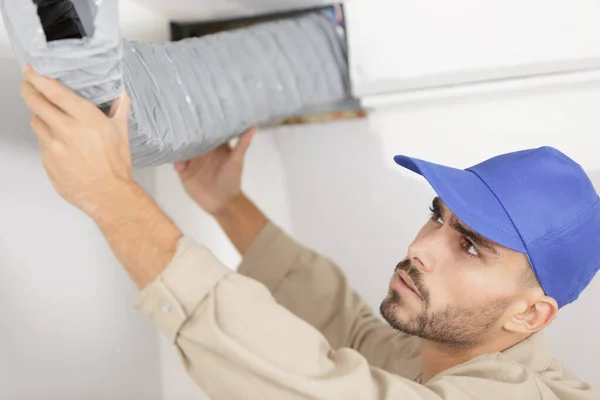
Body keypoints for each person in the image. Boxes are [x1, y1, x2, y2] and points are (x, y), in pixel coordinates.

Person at [19, 65, 599, 399]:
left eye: (470, 245)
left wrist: (110, 195)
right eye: (437, 217)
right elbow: (343, 324)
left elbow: (316, 388)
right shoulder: (449, 349)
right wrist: (227, 204)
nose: (420, 247)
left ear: (530, 315)